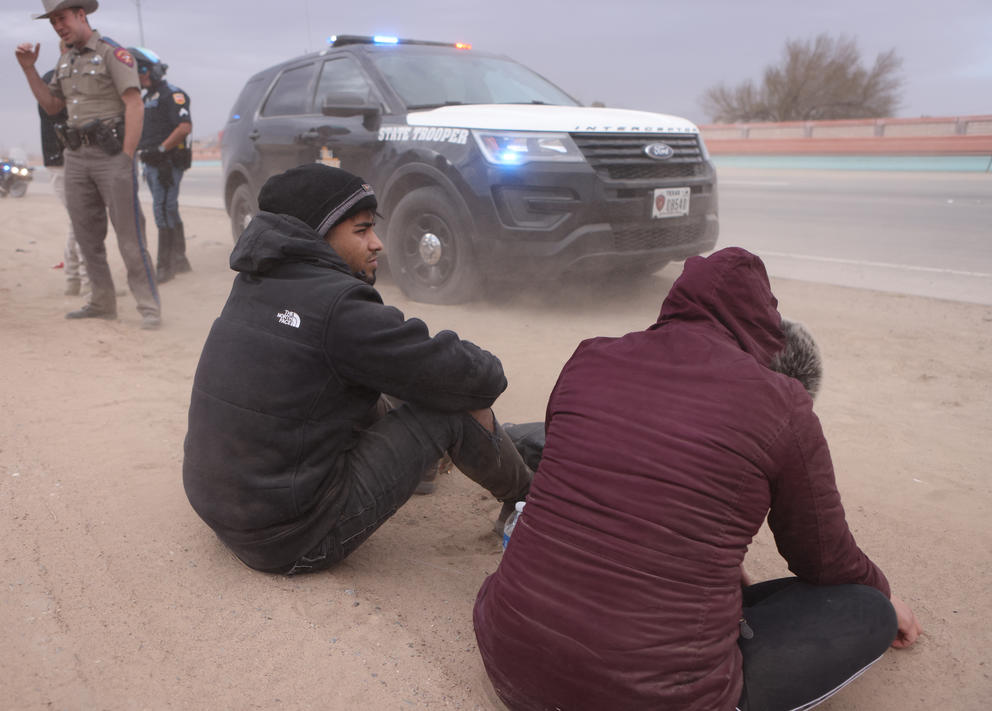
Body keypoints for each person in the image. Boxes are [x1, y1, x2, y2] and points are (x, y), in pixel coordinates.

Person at [474, 247, 921, 711]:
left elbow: (591, 487)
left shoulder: (588, 359)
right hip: (645, 697)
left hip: (510, 657)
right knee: (862, 609)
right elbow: (825, 560)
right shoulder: (780, 402)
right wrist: (884, 596)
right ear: (764, 324)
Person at [182, 164, 532, 574]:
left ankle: (420, 471)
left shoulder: (256, 279)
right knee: (449, 407)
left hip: (226, 512)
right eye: (362, 230)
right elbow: (477, 379)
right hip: (293, 538)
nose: (377, 243)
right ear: (319, 234)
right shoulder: (339, 308)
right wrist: (480, 370)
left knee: (382, 376)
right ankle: (530, 498)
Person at [16, 0, 160, 330]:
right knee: (86, 236)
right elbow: (53, 106)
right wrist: (29, 69)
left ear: (81, 15)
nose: (58, 26)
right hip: (75, 158)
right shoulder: (64, 58)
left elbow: (134, 105)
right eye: (53, 22)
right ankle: (101, 301)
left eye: (62, 18)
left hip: (111, 157)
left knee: (129, 236)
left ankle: (149, 307)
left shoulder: (112, 52)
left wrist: (126, 157)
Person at [130, 46, 193, 284]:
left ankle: (165, 267)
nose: (139, 77)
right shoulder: (146, 98)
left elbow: (184, 127)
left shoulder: (172, 95)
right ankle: (180, 260)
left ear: (150, 71)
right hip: (151, 163)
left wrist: (160, 149)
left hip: (167, 163)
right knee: (169, 208)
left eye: (140, 72)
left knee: (163, 209)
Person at [39, 61, 89, 297]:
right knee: (81, 221)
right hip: (62, 162)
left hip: (69, 160)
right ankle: (86, 280)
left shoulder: (65, 77)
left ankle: (74, 278)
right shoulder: (54, 79)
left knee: (78, 221)